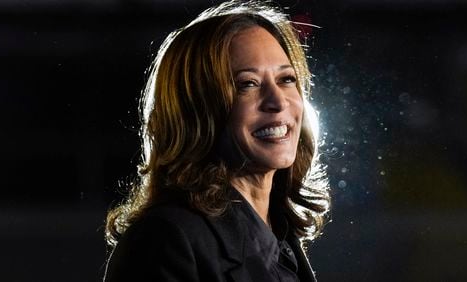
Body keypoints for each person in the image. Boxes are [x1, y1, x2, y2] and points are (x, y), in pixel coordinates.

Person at [103, 1, 329, 281]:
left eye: (286, 79)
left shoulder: (281, 239)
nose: (278, 101)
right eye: (247, 84)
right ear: (195, 110)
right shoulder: (165, 239)